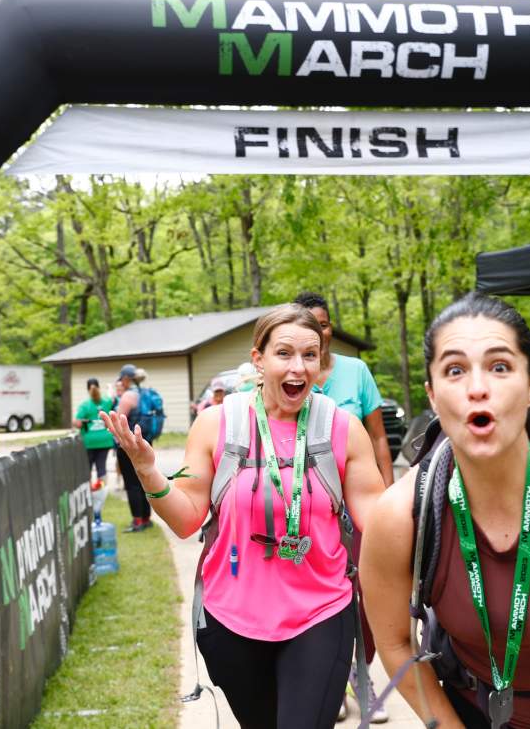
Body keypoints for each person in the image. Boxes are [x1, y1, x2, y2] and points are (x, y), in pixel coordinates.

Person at [101, 304, 385, 729]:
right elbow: (186, 519)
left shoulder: (342, 428)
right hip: (230, 620)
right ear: (259, 359)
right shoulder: (218, 424)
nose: (299, 367)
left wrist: (429, 490)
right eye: (284, 354)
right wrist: (147, 470)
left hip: (320, 613)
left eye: (310, 355)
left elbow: (380, 523)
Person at [360, 293, 530, 729]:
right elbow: (396, 645)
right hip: (470, 713)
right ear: (433, 395)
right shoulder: (400, 516)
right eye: (455, 370)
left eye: (499, 367)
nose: (477, 387)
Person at [294, 290, 393, 723]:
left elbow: (378, 439)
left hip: (357, 508)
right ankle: (329, 685)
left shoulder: (356, 371)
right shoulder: (290, 376)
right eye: (309, 323)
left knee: (367, 596)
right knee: (315, 600)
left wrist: (390, 503)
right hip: (306, 512)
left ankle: (363, 680)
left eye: (325, 322)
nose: (320, 330)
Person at [114, 363, 153, 533]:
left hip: (129, 445)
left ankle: (137, 521)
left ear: (126, 379)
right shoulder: (146, 393)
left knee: (131, 483)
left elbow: (117, 421)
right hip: (146, 443)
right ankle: (146, 518)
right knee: (144, 481)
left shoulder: (128, 395)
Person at [73, 377, 114, 481]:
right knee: (102, 467)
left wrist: (75, 421)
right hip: (105, 440)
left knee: (88, 467)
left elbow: (78, 424)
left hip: (89, 441)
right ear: (99, 387)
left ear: (88, 389)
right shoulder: (106, 401)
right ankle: (102, 491)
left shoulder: (85, 405)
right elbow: (112, 398)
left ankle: (89, 491)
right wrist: (109, 387)